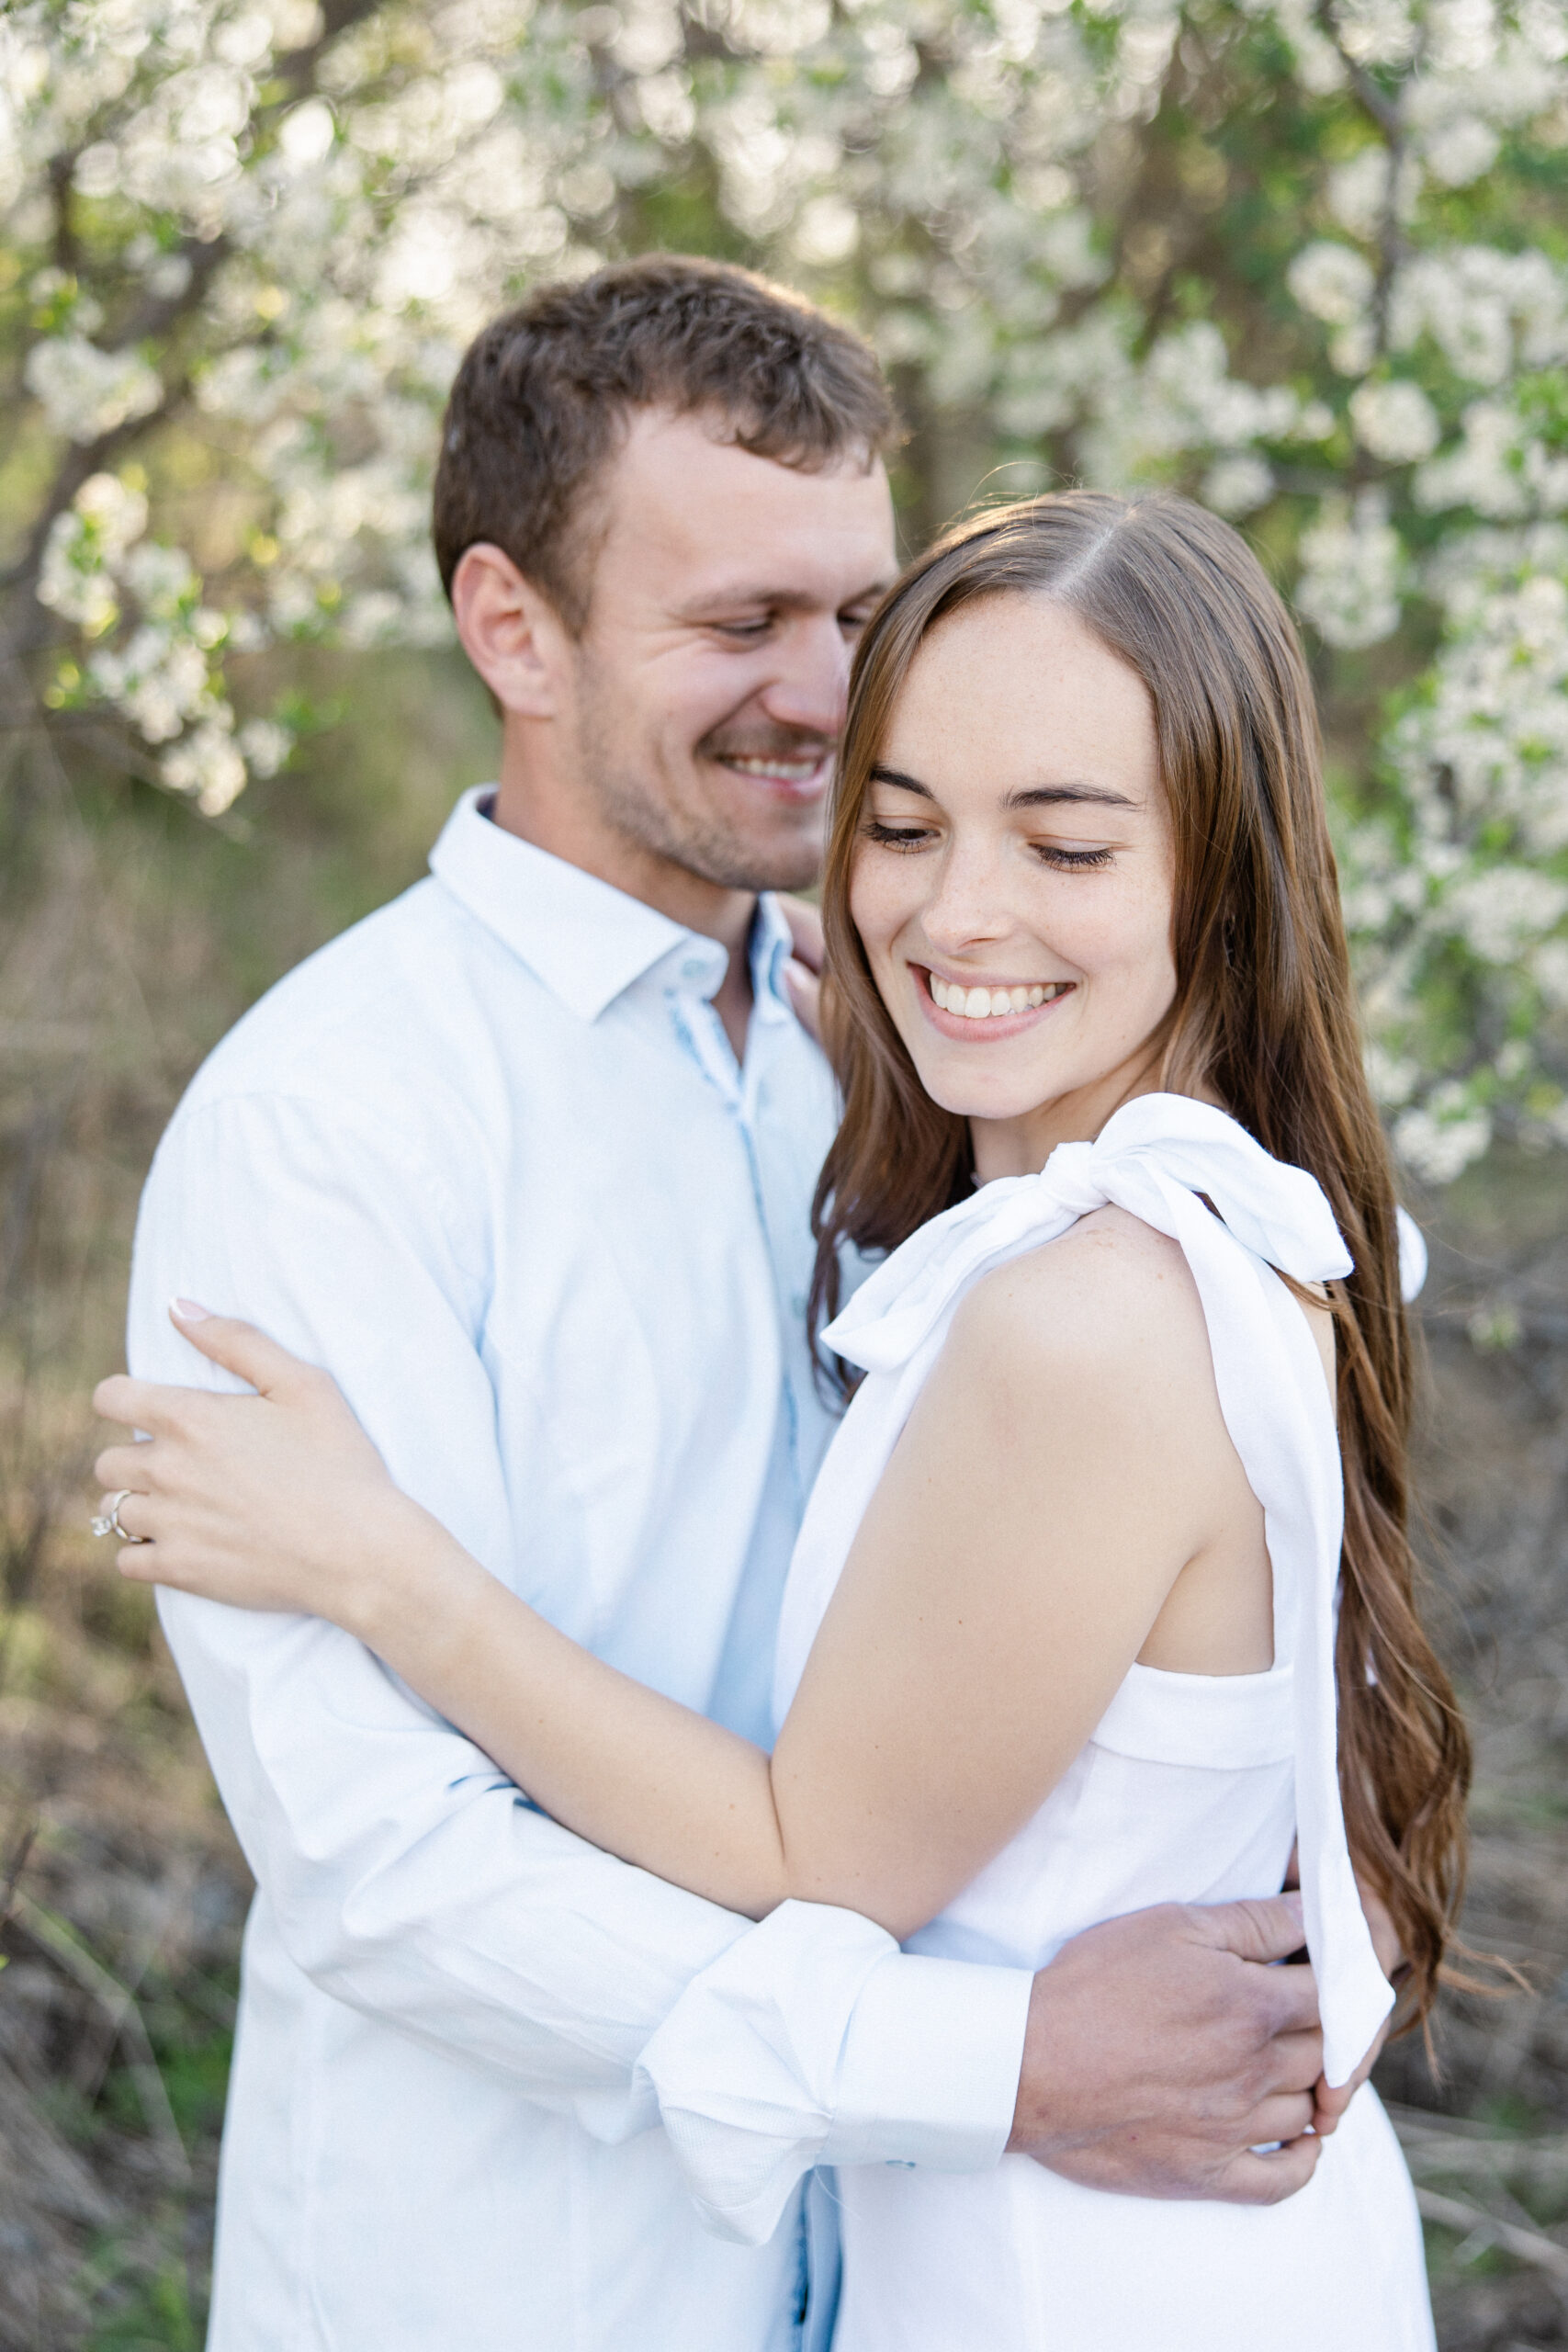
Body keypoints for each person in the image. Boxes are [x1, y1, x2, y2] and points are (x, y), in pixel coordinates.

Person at [99, 266, 1393, 2352]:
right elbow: (384, 1856)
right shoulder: (330, 1124)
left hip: (950, 2253)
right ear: (512, 626)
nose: (825, 689)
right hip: (537, 2275)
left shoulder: (915, 1045)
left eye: (854, 613)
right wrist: (979, 2060)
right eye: (737, 625)